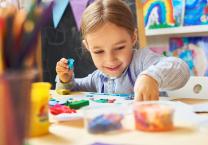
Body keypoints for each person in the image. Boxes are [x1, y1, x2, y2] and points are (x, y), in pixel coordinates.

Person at [55, 0, 190, 101]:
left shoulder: (142, 61)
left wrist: (152, 77)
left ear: (133, 38)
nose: (110, 60)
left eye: (119, 48)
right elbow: (73, 89)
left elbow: (181, 68)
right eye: (99, 52)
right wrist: (65, 80)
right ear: (88, 47)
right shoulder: (99, 77)